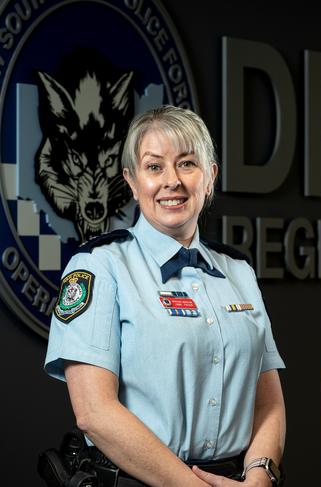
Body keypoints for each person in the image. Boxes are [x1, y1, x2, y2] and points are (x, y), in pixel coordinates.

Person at [43, 105, 286, 487]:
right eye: (154, 167)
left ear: (210, 178)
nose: (171, 181)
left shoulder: (238, 271)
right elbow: (93, 412)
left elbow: (268, 401)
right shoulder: (99, 267)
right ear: (132, 181)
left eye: (187, 164)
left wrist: (260, 477)